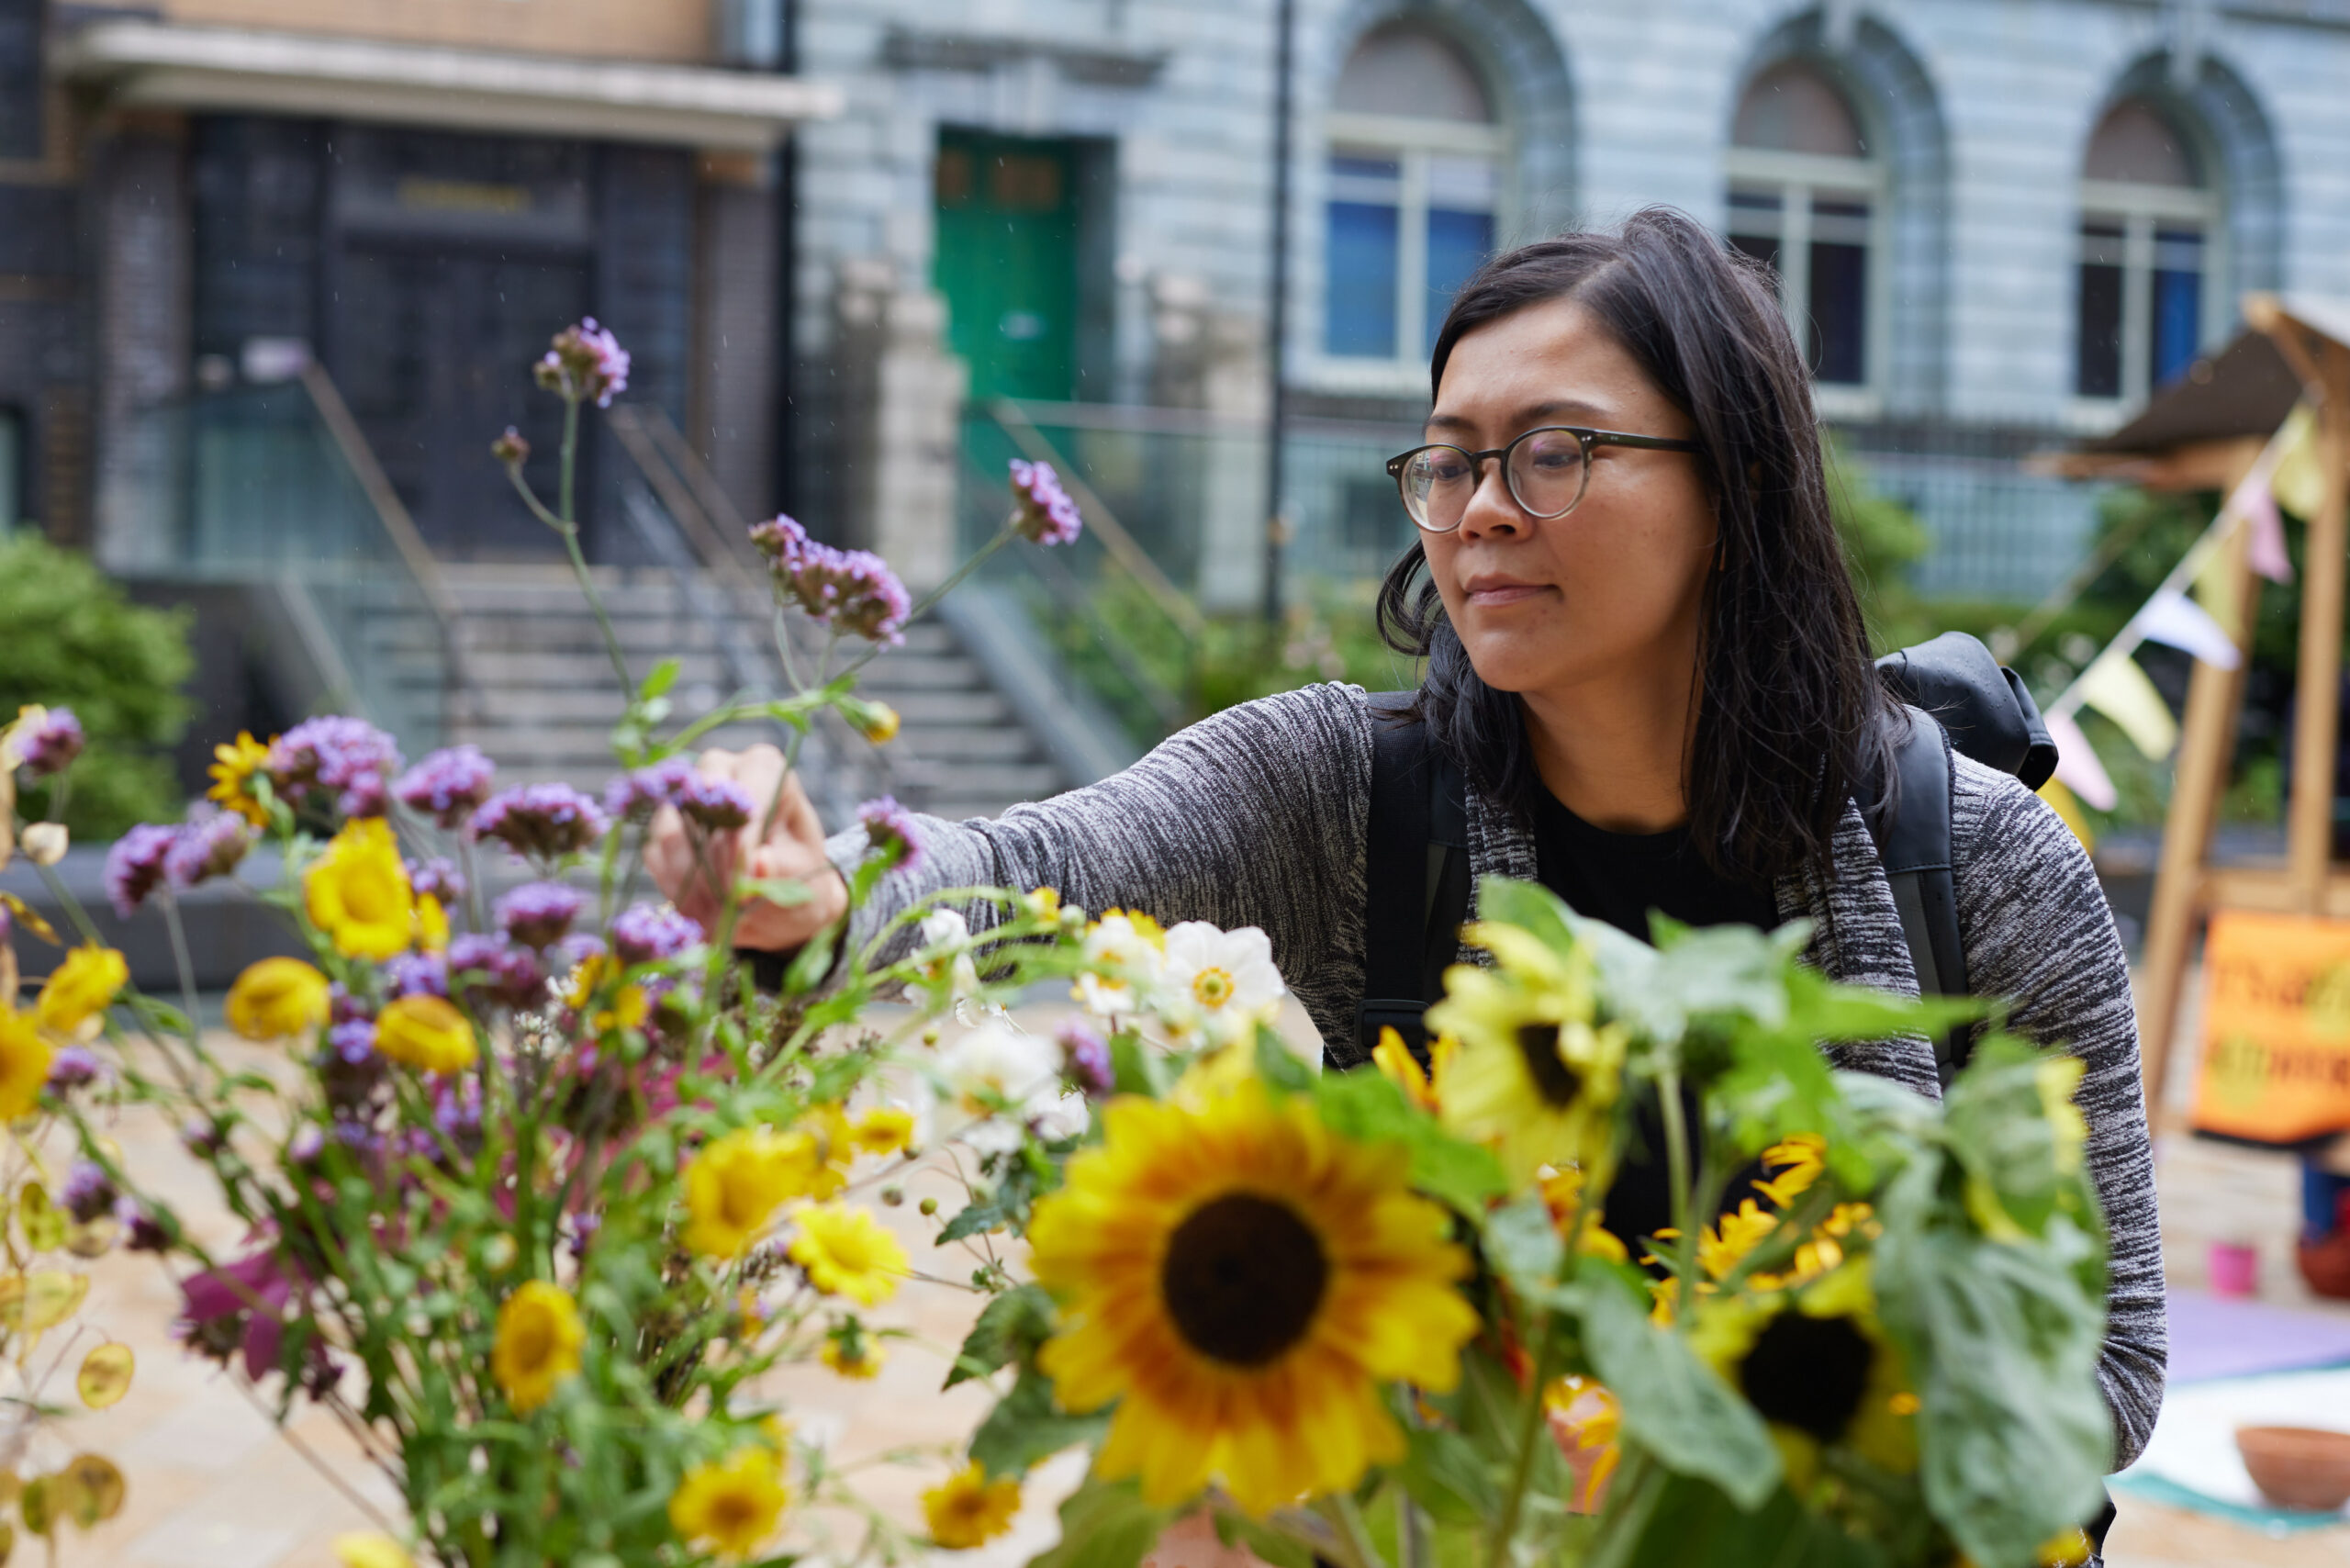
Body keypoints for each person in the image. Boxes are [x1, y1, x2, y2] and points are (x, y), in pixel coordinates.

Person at [648, 207, 2165, 1475]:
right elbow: (1038, 868)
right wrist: (818, 887)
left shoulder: (1974, 863)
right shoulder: (1346, 795)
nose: (1481, 511)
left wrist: (1726, 1471)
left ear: (1738, 484)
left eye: (1554, 452)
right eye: (1448, 461)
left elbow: (2110, 1361)